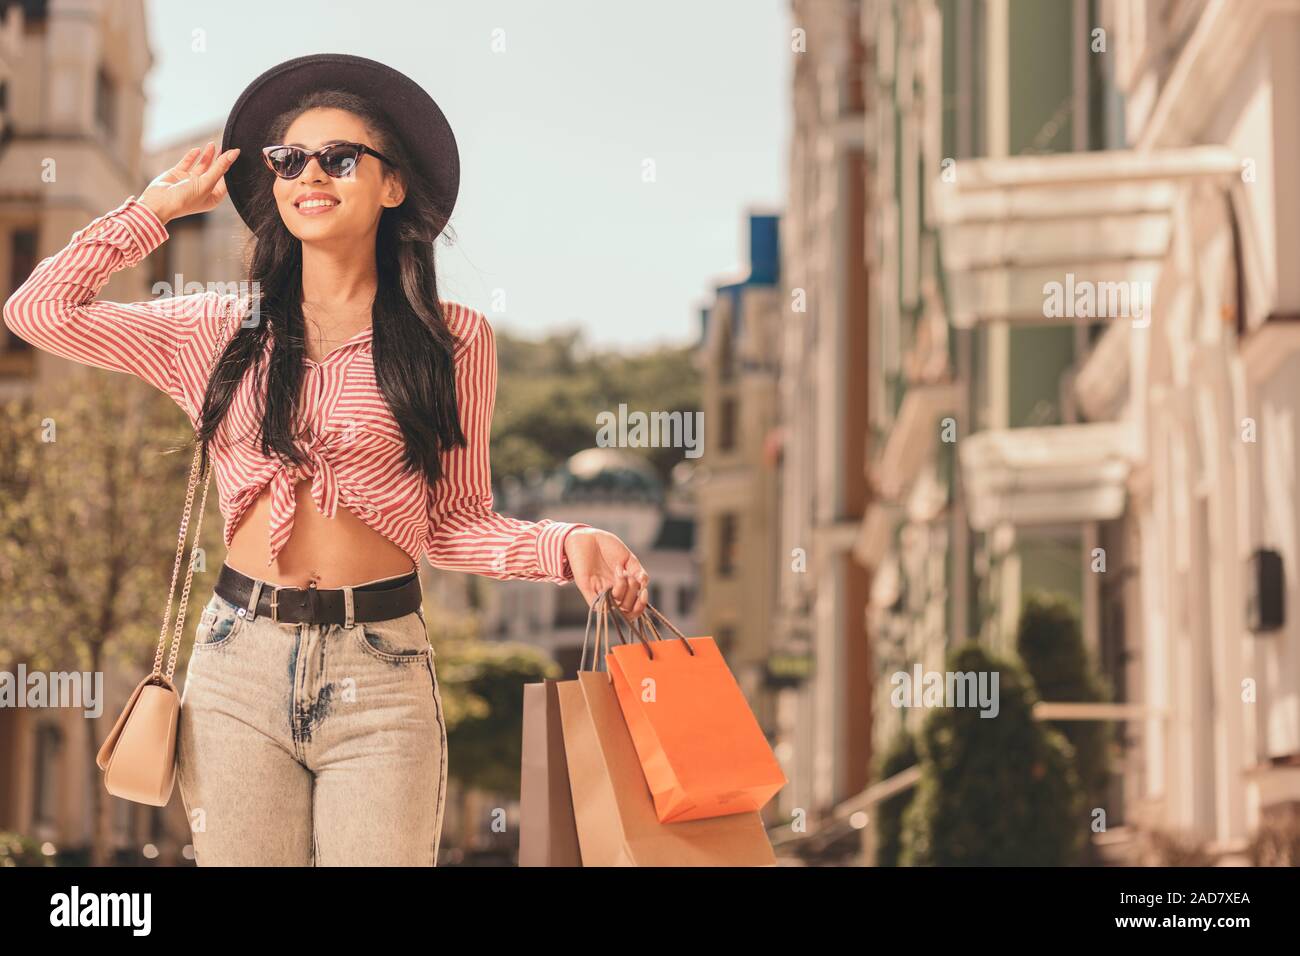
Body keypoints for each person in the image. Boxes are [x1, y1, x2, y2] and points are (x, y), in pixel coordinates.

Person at [2, 53, 650, 867]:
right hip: (237, 661)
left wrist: (566, 545)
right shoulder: (211, 329)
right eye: (288, 160)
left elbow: (452, 525)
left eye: (339, 158)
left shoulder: (453, 342)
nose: (311, 174)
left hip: (381, 669)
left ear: (392, 185)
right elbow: (37, 310)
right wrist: (152, 211)